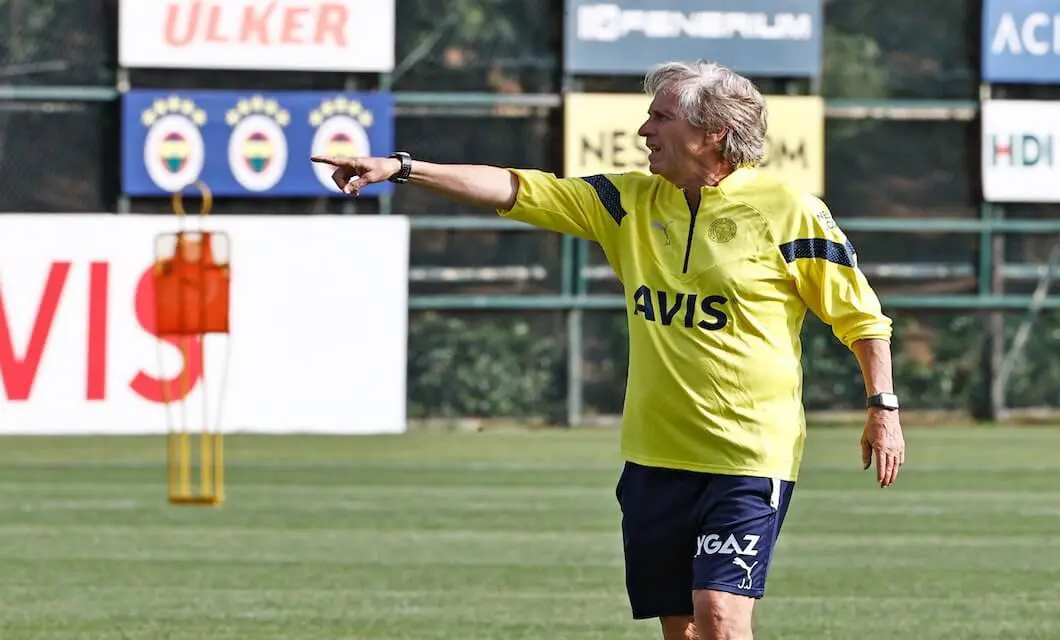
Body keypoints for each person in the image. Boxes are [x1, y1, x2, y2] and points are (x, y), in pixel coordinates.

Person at [312, 59, 906, 640]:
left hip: (748, 454)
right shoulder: (629, 202)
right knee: (682, 625)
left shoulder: (790, 211)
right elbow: (517, 188)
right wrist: (402, 167)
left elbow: (862, 318)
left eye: (660, 117)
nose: (644, 131)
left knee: (721, 616)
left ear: (712, 133)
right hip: (655, 454)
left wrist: (883, 407)